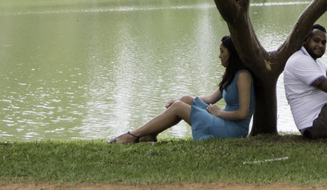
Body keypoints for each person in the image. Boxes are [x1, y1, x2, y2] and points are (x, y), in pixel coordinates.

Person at [108, 35, 254, 143]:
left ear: (232, 53)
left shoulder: (243, 76)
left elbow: (243, 114)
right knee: (184, 100)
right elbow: (210, 99)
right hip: (223, 119)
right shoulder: (231, 74)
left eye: (222, 51)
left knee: (178, 107)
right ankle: (149, 135)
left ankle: (132, 135)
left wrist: (219, 113)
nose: (219, 55)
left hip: (233, 129)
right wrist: (180, 100)